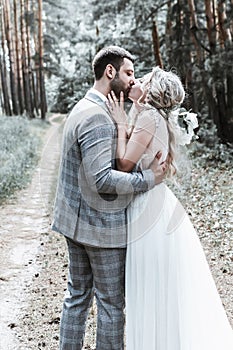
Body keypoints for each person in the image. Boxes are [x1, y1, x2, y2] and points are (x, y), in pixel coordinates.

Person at [108, 66, 233, 349]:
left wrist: (118, 125)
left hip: (147, 205)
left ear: (152, 91)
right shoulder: (151, 116)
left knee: (151, 286)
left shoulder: (150, 117)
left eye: (143, 79)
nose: (136, 81)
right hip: (157, 200)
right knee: (161, 285)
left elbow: (125, 164)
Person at [51, 47, 168, 350]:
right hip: (100, 228)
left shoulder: (85, 105)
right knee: (111, 305)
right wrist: (148, 180)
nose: (132, 80)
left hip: (74, 221)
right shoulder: (98, 118)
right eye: (129, 73)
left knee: (77, 297)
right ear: (110, 72)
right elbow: (102, 179)